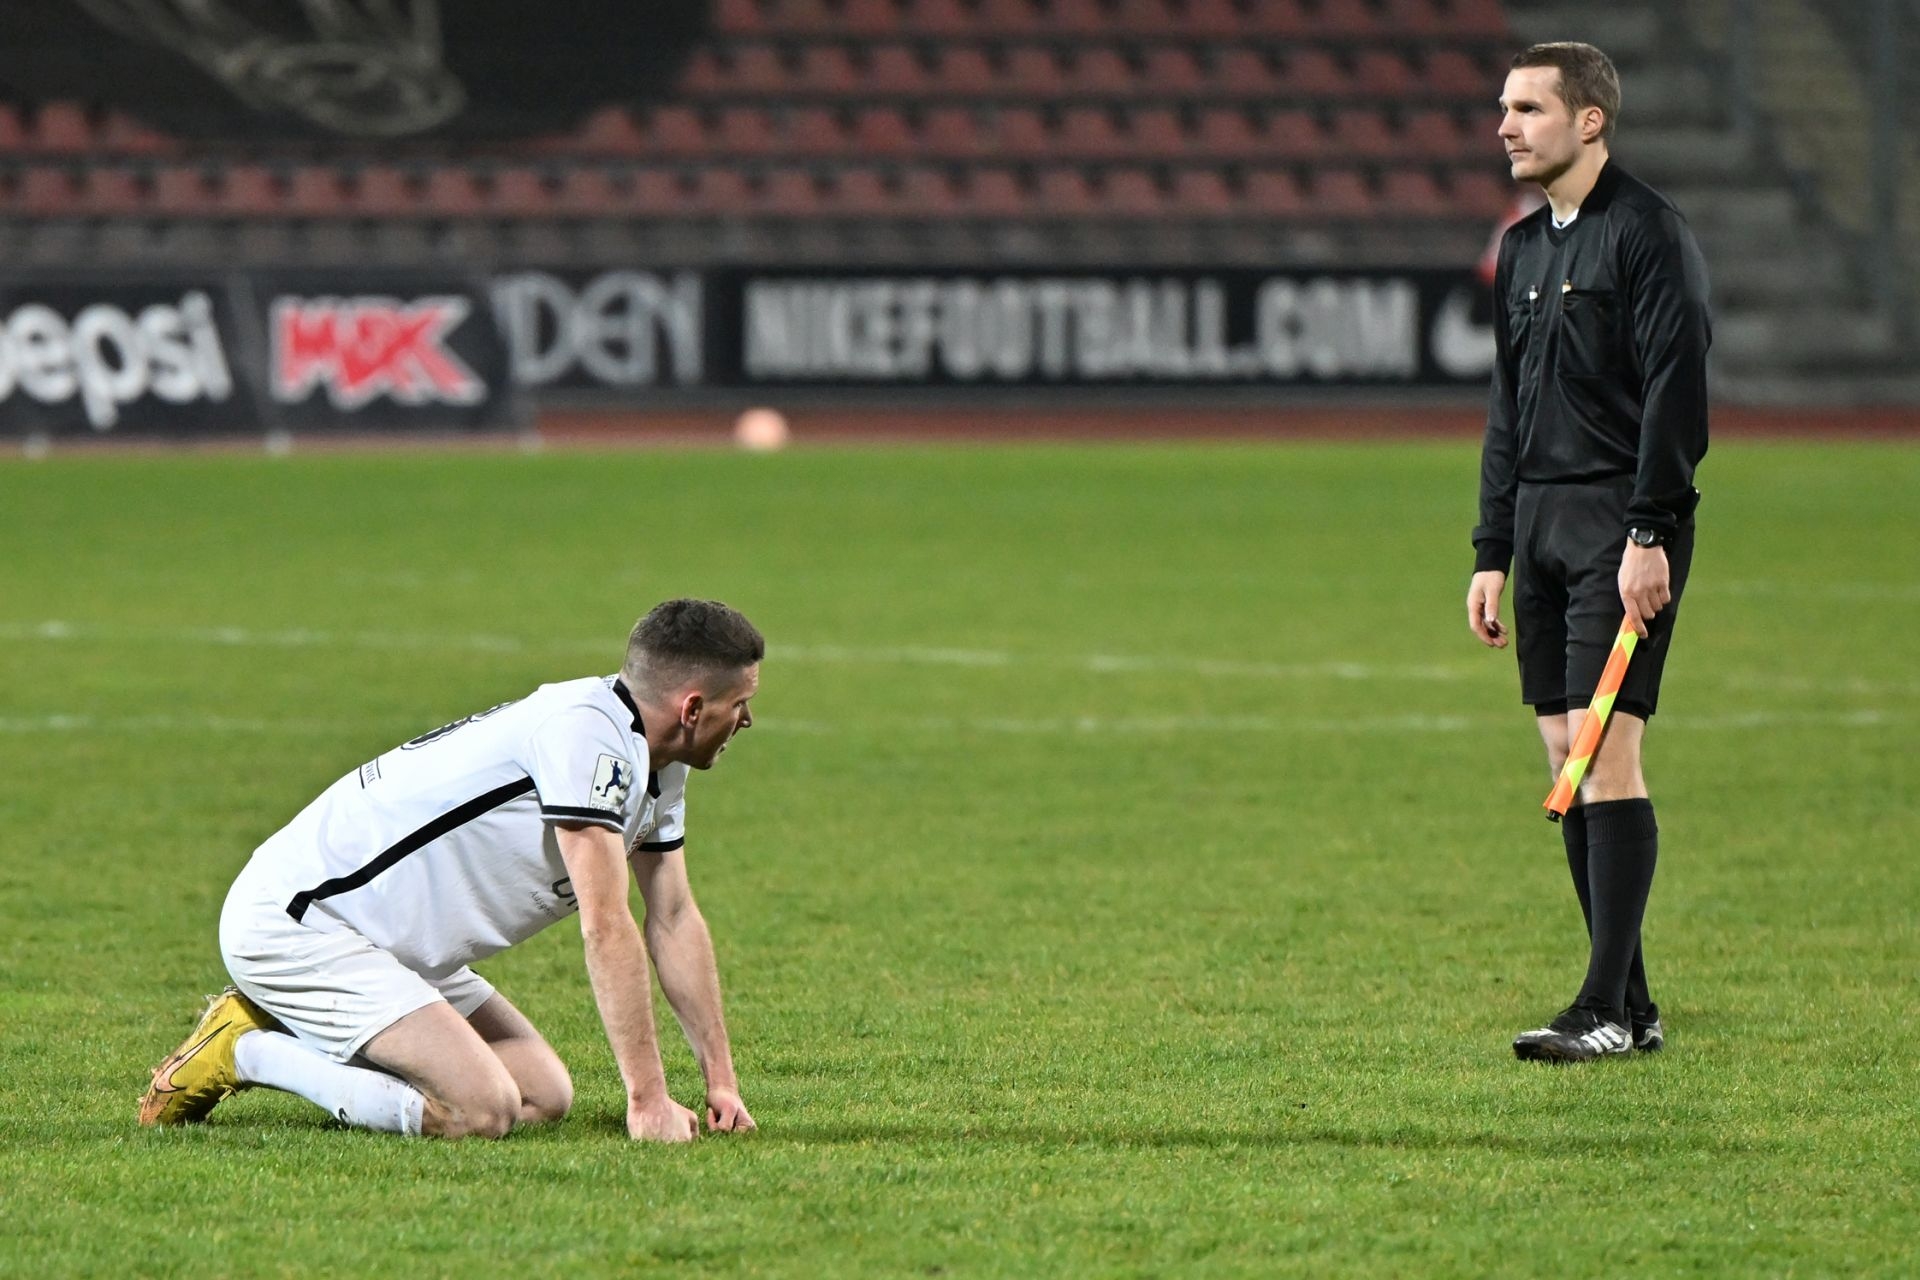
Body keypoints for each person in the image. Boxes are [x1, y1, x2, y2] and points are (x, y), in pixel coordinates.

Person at [139, 598, 765, 1139]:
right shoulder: (588, 738)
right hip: (303, 923)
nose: (747, 719)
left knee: (542, 1095)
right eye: (739, 703)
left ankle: (306, 1028)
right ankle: (245, 1051)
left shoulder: (657, 762)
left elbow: (673, 917)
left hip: (387, 943)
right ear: (691, 708)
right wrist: (647, 1100)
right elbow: (606, 923)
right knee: (480, 1110)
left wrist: (722, 1082)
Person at [1466, 42, 1711, 1062]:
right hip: (1539, 529)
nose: (1505, 126)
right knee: (1566, 758)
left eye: (1528, 108)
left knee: (1607, 754)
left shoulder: (1648, 234)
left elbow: (1677, 390)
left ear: (1590, 120)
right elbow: (1507, 407)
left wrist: (1651, 529)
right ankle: (1632, 1008)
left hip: (1619, 525)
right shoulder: (1524, 248)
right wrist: (1492, 546)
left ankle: (1602, 1007)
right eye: (1504, 108)